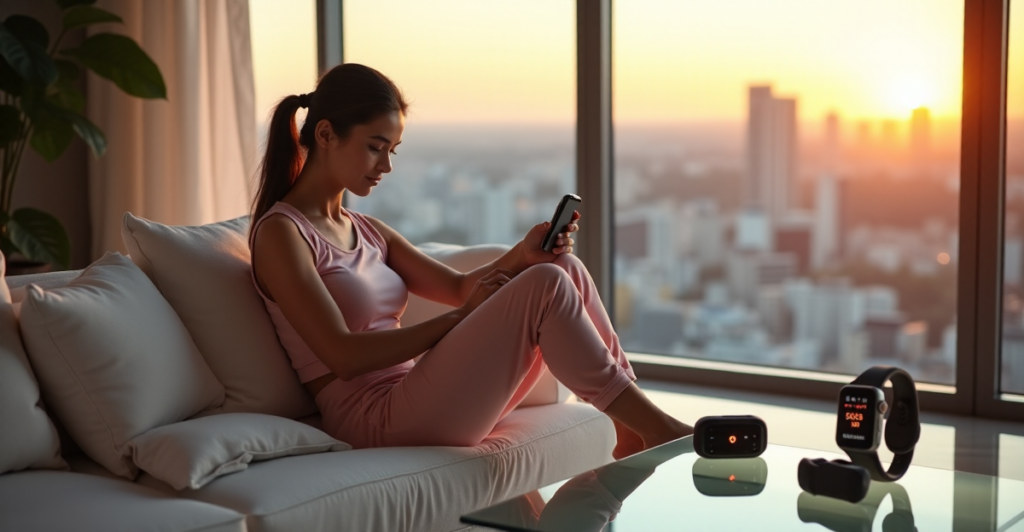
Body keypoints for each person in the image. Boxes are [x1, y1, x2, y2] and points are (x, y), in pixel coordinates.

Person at [249, 63, 692, 459]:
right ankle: (660, 431)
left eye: (393, 151)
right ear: (326, 135)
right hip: (373, 420)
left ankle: (629, 426)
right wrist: (461, 317)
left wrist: (523, 253)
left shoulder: (365, 228)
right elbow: (342, 355)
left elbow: (458, 287)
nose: (386, 165)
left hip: (412, 394)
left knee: (561, 269)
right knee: (546, 286)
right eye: (375, 147)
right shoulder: (282, 234)